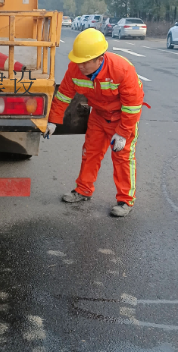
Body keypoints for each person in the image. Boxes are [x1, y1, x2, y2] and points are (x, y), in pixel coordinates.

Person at [44, 29, 147, 217]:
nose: (80, 66)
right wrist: (53, 121)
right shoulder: (75, 69)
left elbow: (133, 106)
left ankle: (125, 200)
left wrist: (123, 133)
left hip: (122, 119)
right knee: (90, 153)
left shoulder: (121, 70)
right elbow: (63, 95)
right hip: (98, 116)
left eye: (85, 62)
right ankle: (83, 190)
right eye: (78, 61)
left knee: (123, 159)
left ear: (100, 59)